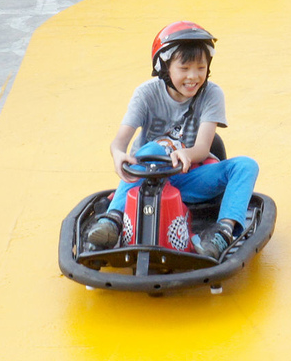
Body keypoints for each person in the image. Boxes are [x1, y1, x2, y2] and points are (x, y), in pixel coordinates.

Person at [86, 21, 259, 258]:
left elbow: (202, 148)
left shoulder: (212, 94)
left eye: (200, 67)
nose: (193, 76)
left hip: (189, 177)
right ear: (165, 67)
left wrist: (185, 154)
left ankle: (221, 233)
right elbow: (119, 142)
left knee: (247, 165)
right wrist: (118, 155)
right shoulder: (146, 94)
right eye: (184, 68)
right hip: (145, 180)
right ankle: (114, 219)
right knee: (157, 146)